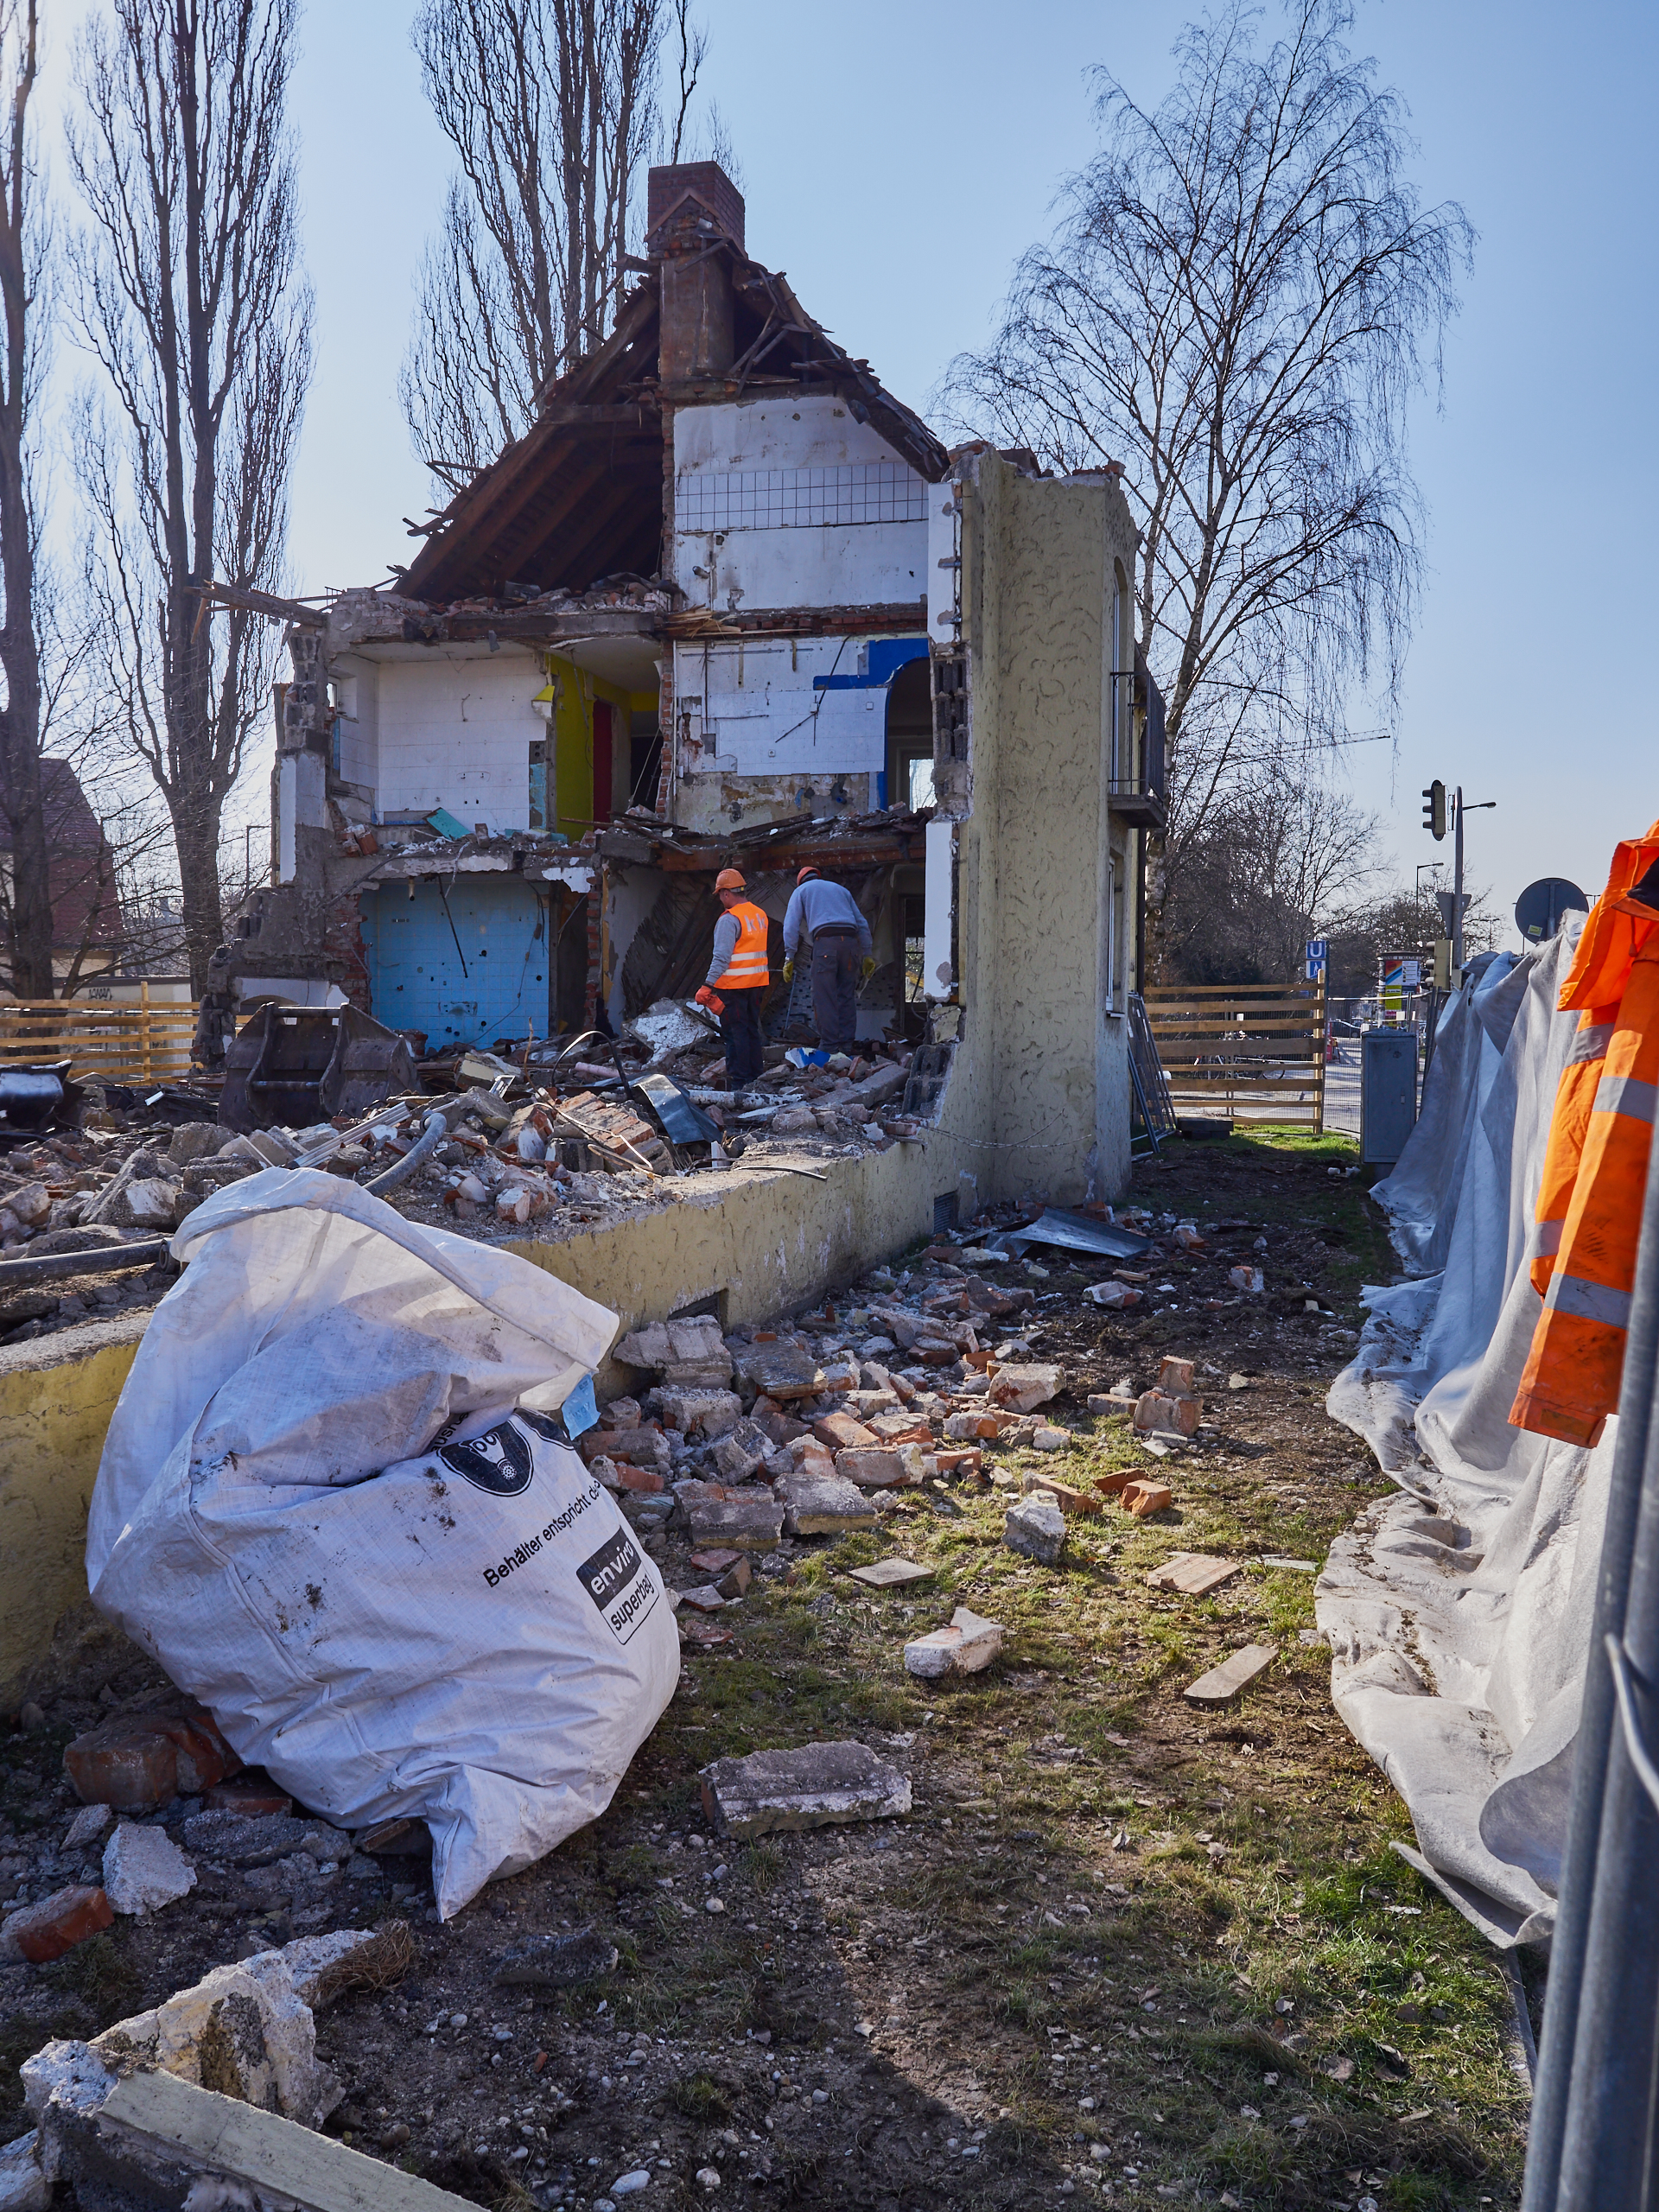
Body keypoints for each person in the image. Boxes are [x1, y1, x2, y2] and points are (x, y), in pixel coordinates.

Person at [782, 864, 874, 1057]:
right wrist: (867, 954)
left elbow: (790, 925)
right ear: (818, 876)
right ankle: (847, 1045)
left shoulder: (801, 891)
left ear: (801, 881)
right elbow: (862, 924)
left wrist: (789, 956)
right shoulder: (841, 891)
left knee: (824, 997)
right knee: (846, 996)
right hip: (850, 946)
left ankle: (830, 1046)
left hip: (826, 944)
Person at [694, 868, 772, 1090]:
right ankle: (755, 1077)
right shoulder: (759, 914)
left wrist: (707, 985)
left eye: (720, 894)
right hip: (757, 984)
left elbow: (721, 957)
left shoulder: (730, 919)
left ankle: (739, 1082)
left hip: (734, 986)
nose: (720, 899)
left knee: (734, 1033)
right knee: (750, 1029)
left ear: (727, 893)